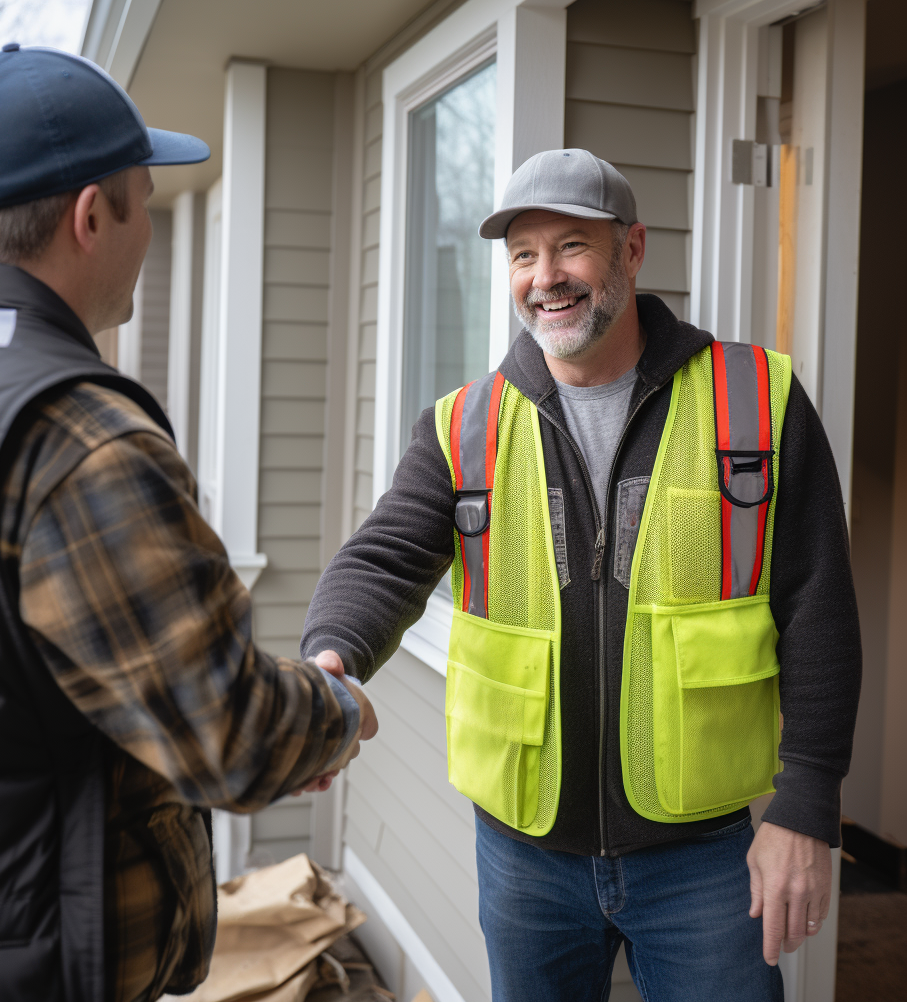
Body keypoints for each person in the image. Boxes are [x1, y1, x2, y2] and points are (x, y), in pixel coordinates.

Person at [303, 149, 861, 1001]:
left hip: (705, 855)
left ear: (631, 250)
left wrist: (806, 802)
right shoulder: (465, 426)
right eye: (523, 255)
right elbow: (382, 558)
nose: (545, 278)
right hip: (525, 856)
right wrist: (329, 661)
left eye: (571, 247)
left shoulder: (756, 399)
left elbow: (818, 604)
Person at [0, 45, 375, 1002]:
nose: (149, 224)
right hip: (27, 962)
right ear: (90, 215)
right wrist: (335, 713)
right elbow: (232, 738)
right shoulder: (79, 439)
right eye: (145, 198)